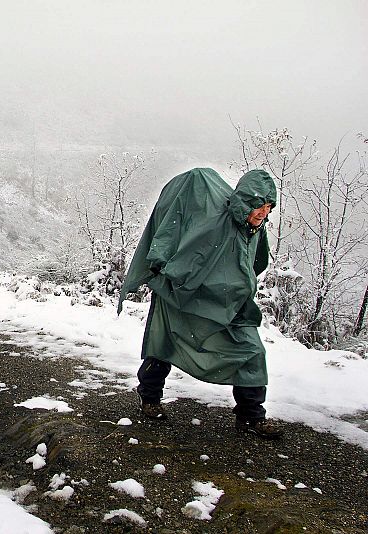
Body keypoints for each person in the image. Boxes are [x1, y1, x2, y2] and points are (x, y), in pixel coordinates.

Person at [117, 168, 283, 439]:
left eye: (267, 207)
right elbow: (182, 248)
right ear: (244, 202)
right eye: (257, 206)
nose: (263, 212)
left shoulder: (254, 230)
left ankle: (251, 415)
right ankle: (149, 397)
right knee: (163, 343)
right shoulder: (216, 225)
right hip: (184, 297)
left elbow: (255, 263)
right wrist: (167, 272)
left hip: (232, 306)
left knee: (252, 352)